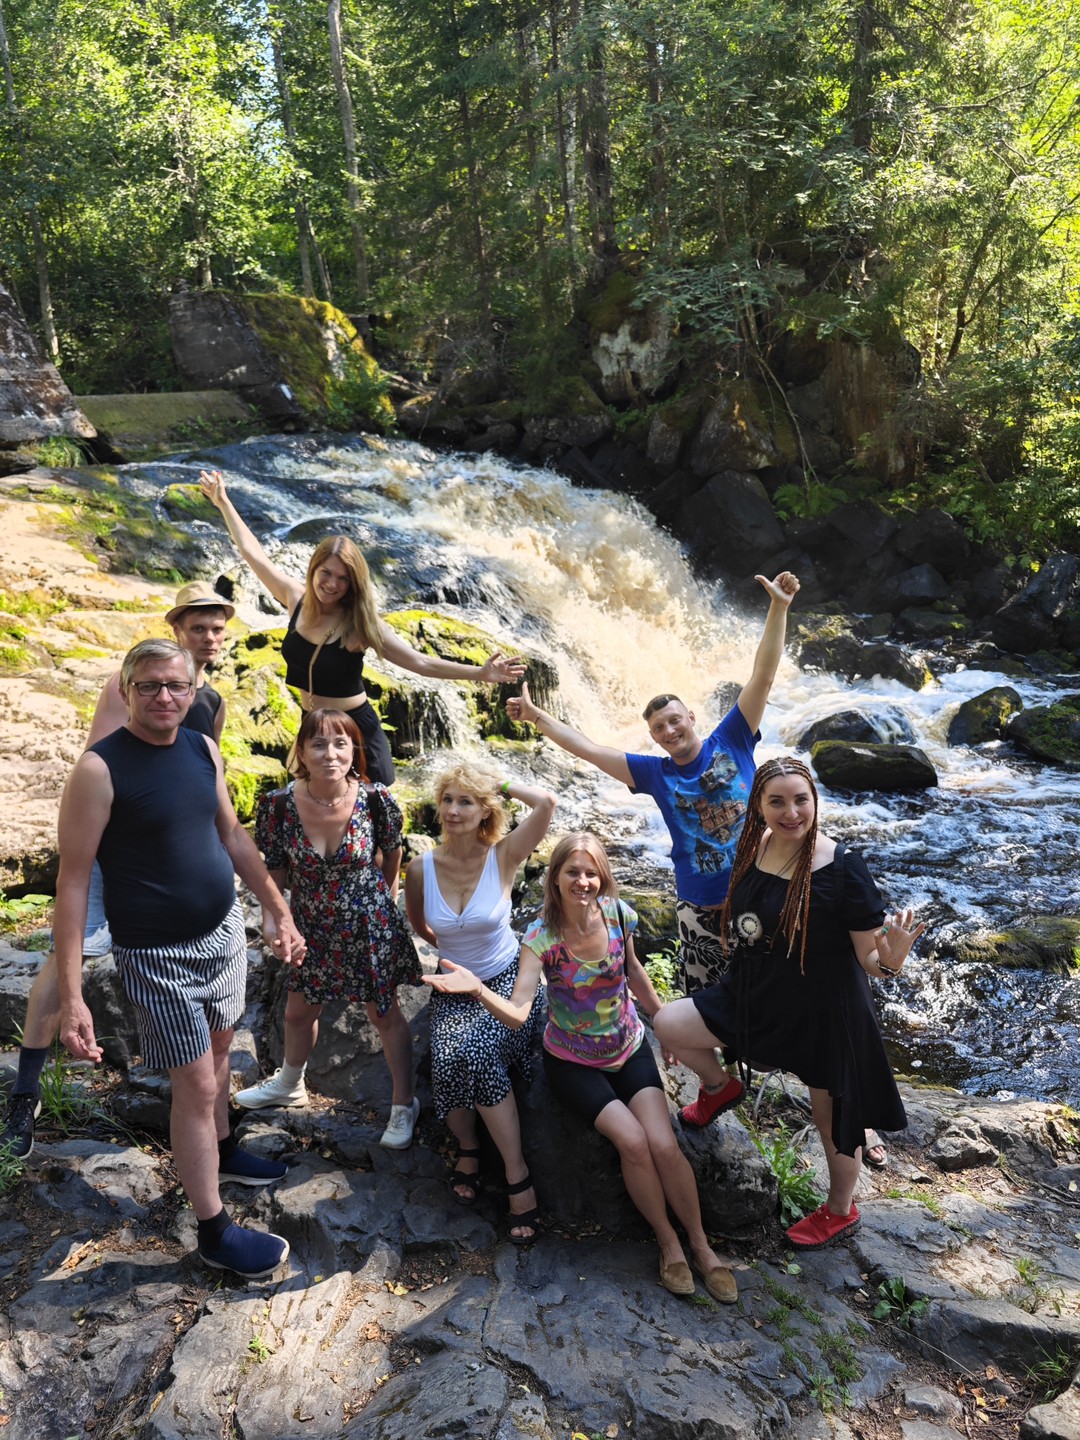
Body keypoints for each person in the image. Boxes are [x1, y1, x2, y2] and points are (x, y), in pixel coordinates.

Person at [506, 570, 800, 1125]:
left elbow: (763, 673)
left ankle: (819, 1092)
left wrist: (779, 607)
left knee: (777, 991)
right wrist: (536, 716)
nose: (669, 732)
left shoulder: (733, 737)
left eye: (674, 721)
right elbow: (588, 748)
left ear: (692, 718)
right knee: (700, 1008)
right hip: (697, 909)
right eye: (659, 729)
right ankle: (718, 1087)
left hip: (758, 894)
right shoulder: (653, 773)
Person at [55, 638, 306, 1279]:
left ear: (192, 690)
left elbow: (232, 835)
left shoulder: (203, 749)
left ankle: (222, 1149)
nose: (164, 697)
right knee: (194, 1085)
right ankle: (214, 1232)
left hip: (223, 935)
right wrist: (74, 994)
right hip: (158, 955)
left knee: (223, 1057)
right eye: (149, 687)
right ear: (126, 689)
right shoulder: (99, 770)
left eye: (176, 686)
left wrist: (276, 908)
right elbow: (74, 881)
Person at [431, 831, 738, 1301]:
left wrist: (664, 1024)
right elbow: (517, 1013)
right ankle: (668, 1243)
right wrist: (476, 988)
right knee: (633, 1142)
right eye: (572, 871)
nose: (583, 881)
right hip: (572, 1062)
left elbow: (634, 973)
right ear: (554, 879)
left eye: (591, 872)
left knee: (663, 1141)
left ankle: (702, 1245)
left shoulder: (618, 914)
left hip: (628, 1047)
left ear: (602, 877)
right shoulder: (541, 937)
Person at [1, 582, 235, 1160]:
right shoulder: (135, 684)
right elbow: (104, 763)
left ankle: (211, 1125)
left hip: (168, 861)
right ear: (176, 628)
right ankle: (24, 1097)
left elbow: (201, 790)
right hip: (112, 845)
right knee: (68, 953)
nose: (207, 637)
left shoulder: (209, 702)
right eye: (196, 627)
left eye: (216, 629)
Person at [654, 756, 925, 1250]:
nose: (791, 812)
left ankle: (840, 1211)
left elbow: (870, 959)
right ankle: (719, 1087)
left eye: (801, 799)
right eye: (776, 801)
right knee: (669, 1023)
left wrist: (891, 961)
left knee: (832, 1121)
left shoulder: (842, 867)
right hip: (757, 992)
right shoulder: (753, 846)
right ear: (758, 806)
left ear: (814, 800)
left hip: (826, 1010)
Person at [197, 469, 525, 786]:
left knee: (371, 826)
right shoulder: (293, 597)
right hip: (313, 728)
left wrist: (480, 674)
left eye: (343, 578)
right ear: (313, 569)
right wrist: (223, 503)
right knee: (316, 815)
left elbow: (419, 663)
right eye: (326, 573)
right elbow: (253, 553)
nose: (332, 584)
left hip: (355, 734)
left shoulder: (359, 623)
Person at [235, 709, 424, 1149]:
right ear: (300, 751)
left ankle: (403, 1104)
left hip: (367, 921)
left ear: (354, 750)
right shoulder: (278, 806)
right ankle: (290, 1083)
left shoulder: (376, 799)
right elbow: (276, 872)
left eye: (341, 743)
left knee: (383, 1013)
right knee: (299, 1011)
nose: (330, 753)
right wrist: (272, 919)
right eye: (318, 744)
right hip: (311, 923)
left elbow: (393, 855)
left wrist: (386, 902)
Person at [405, 763, 556, 1244]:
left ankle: (517, 1176)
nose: (452, 810)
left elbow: (547, 804)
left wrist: (498, 782)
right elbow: (420, 924)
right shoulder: (420, 867)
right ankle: (469, 1145)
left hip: (508, 984)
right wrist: (453, 955)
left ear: (485, 810)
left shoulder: (504, 855)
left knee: (477, 1054)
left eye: (465, 801)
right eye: (447, 799)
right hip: (453, 985)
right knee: (448, 1058)